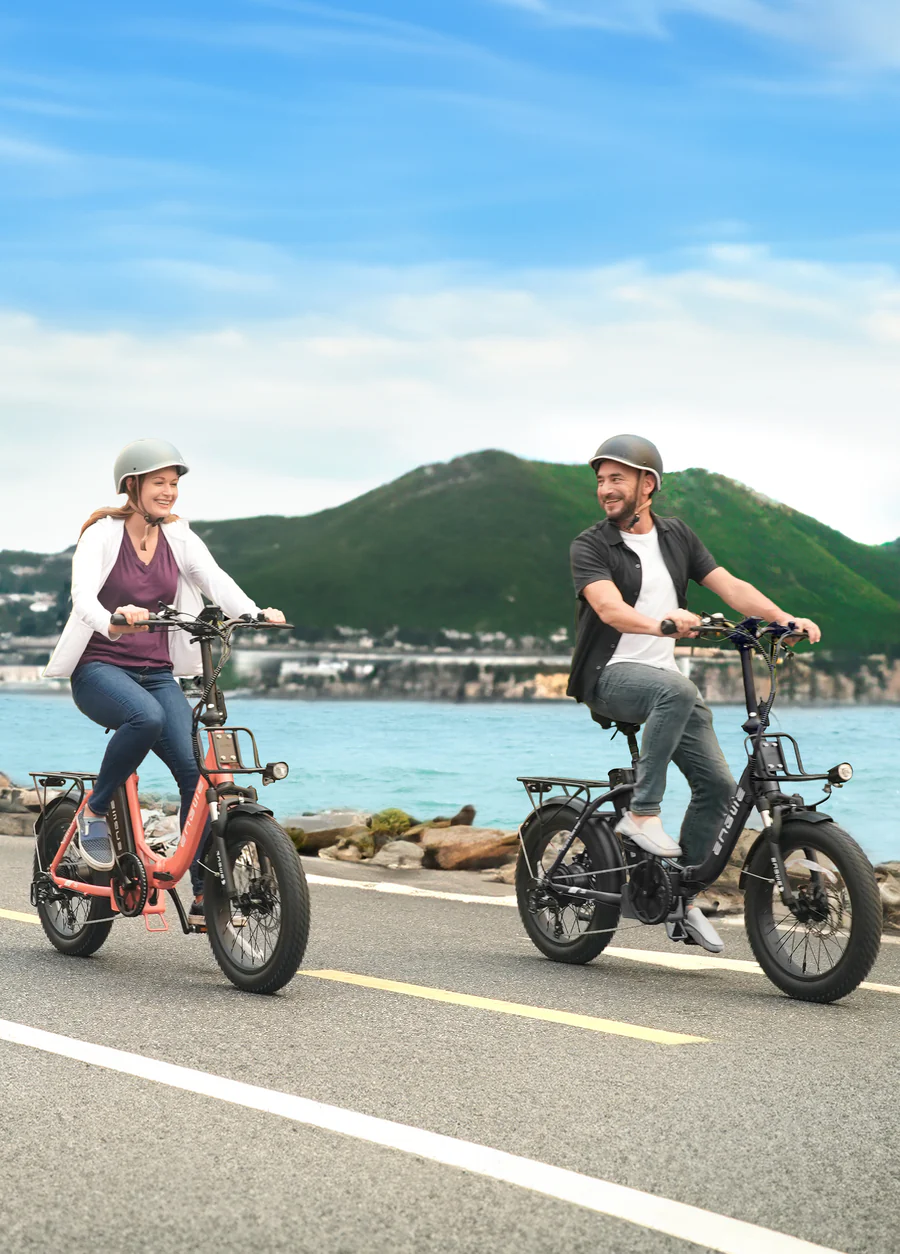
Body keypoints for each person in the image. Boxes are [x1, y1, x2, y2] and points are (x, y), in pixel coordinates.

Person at [567, 434, 820, 953]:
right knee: (678, 690)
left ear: (647, 484)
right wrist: (662, 624)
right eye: (601, 481)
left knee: (720, 789)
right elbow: (610, 609)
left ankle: (680, 897)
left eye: (617, 479)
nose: (605, 489)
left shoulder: (676, 535)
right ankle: (642, 814)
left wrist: (783, 618)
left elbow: (731, 586)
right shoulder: (590, 545)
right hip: (609, 676)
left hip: (664, 685)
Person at [44, 438, 285, 927]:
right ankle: (95, 810)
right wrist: (114, 619)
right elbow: (82, 597)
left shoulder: (179, 536)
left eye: (174, 484)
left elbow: (213, 578)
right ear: (132, 485)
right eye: (159, 482)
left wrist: (252, 612)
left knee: (198, 777)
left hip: (156, 672)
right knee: (146, 718)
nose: (169, 492)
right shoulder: (101, 535)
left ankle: (203, 893)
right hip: (99, 668)